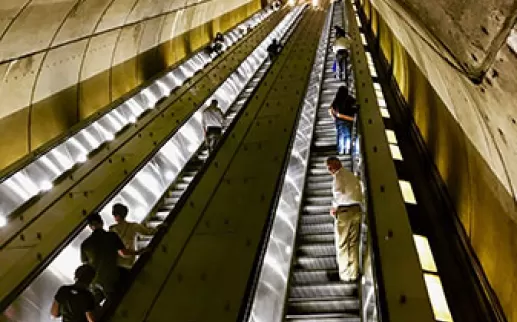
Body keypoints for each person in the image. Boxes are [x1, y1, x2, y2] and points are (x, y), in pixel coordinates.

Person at [81, 213, 142, 302]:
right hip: (113, 277)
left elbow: (85, 264)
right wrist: (139, 252)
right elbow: (124, 253)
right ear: (102, 222)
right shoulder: (111, 236)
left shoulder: (85, 244)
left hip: (95, 283)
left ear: (90, 227)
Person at [326, 156, 363, 282]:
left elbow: (339, 194)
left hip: (344, 212)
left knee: (341, 244)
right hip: (357, 210)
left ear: (336, 164)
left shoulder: (338, 176)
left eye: (330, 166)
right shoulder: (351, 175)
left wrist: (334, 208)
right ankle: (354, 273)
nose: (329, 170)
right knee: (353, 243)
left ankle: (344, 275)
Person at [109, 203, 158, 270]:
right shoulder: (133, 226)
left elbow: (118, 250)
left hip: (118, 264)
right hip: (130, 261)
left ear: (116, 215)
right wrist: (159, 227)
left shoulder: (112, 229)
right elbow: (149, 232)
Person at [329, 86, 358, 154]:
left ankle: (340, 150)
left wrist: (334, 116)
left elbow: (331, 108)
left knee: (340, 135)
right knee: (347, 135)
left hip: (339, 120)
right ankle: (347, 150)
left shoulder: (337, 99)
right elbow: (355, 106)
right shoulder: (350, 99)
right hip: (348, 119)